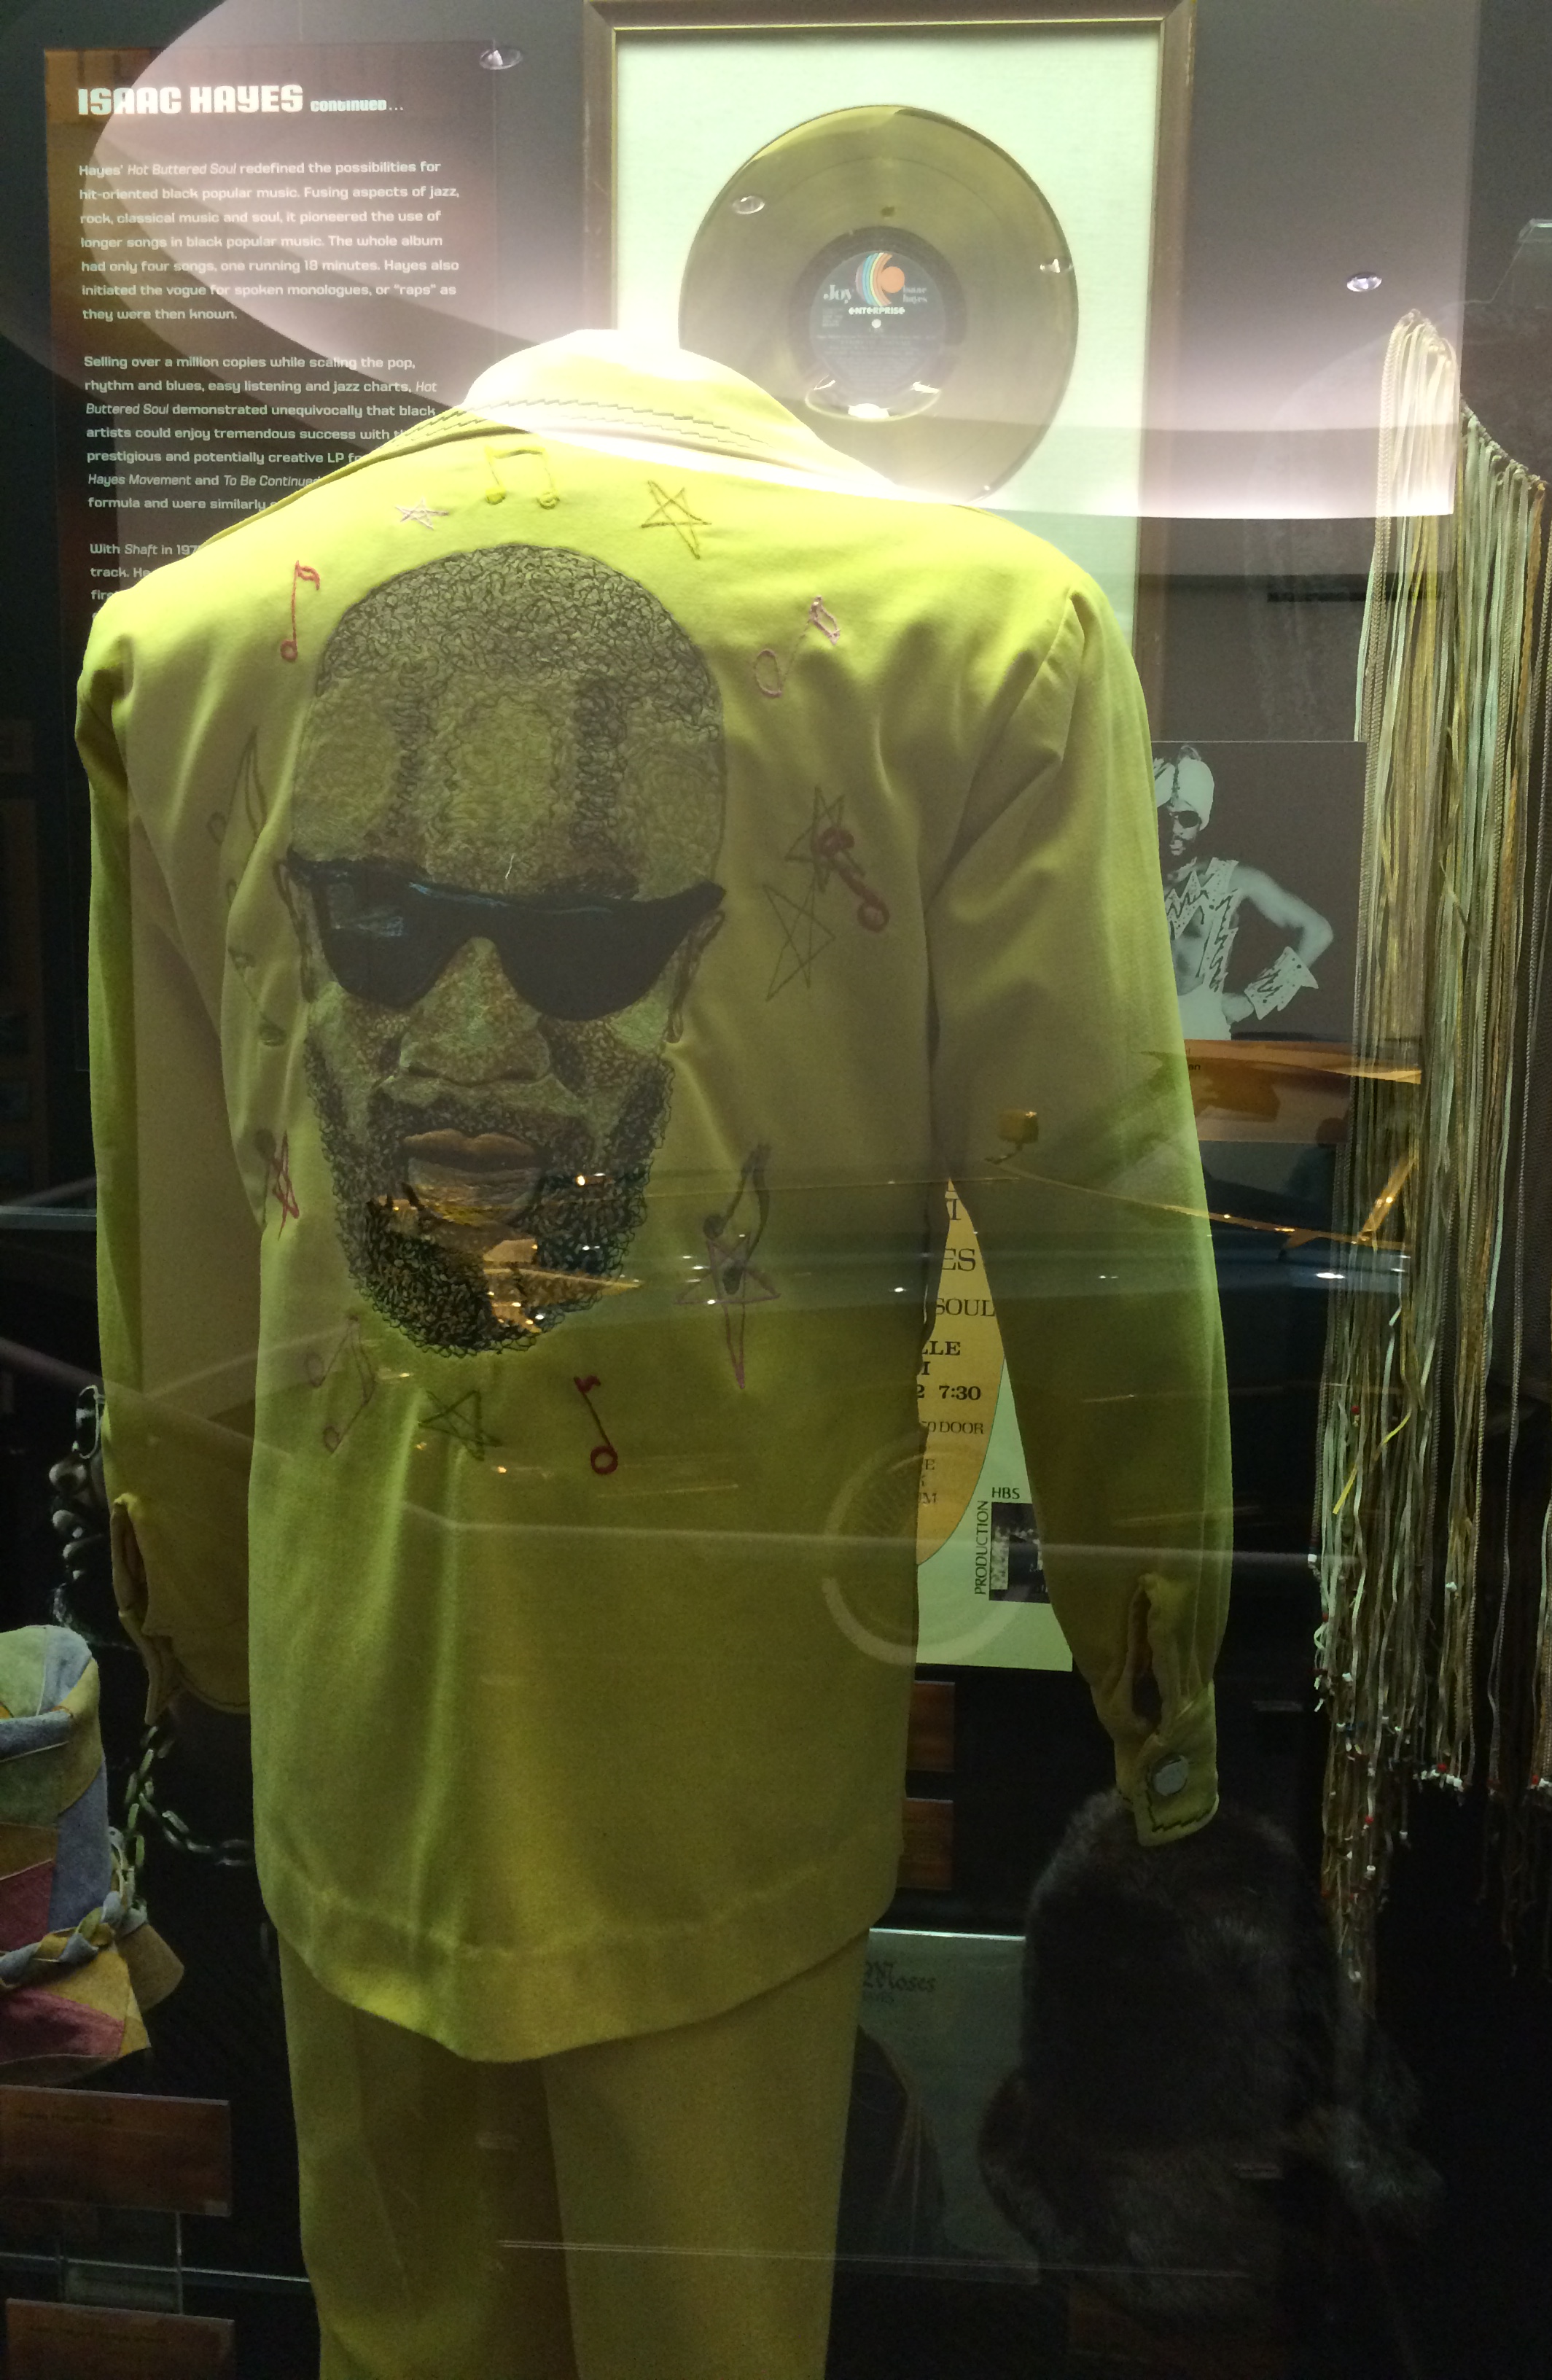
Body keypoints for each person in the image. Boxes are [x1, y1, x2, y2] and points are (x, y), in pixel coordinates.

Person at [80, 331, 1231, 2380]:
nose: (467, 1045)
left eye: (589, 947)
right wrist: (1159, 1654)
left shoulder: (181, 648)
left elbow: (170, 1237)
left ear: (689, 943)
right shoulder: (984, 643)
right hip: (720, 1759)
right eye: (381, 930)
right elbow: (1097, 1211)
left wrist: (209, 1624)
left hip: (366, 1731)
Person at [1155, 742, 1334, 1039]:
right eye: (1165, 817)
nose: (1175, 830)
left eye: (1187, 819)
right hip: (1140, 1025)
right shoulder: (1135, 881)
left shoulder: (1232, 879)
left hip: (1202, 1026)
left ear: (1201, 821)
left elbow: (1318, 931)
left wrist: (1255, 999)